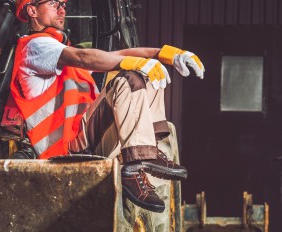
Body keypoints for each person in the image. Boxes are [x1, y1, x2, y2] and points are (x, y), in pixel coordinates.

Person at [11, 0, 205, 213]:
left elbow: (118, 55)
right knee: (128, 80)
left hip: (86, 139)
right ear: (32, 10)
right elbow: (84, 58)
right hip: (67, 149)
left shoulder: (61, 50)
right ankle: (134, 168)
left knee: (151, 74)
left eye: (64, 4)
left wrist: (163, 54)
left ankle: (150, 152)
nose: (62, 9)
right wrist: (134, 64)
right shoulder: (36, 46)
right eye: (54, 3)